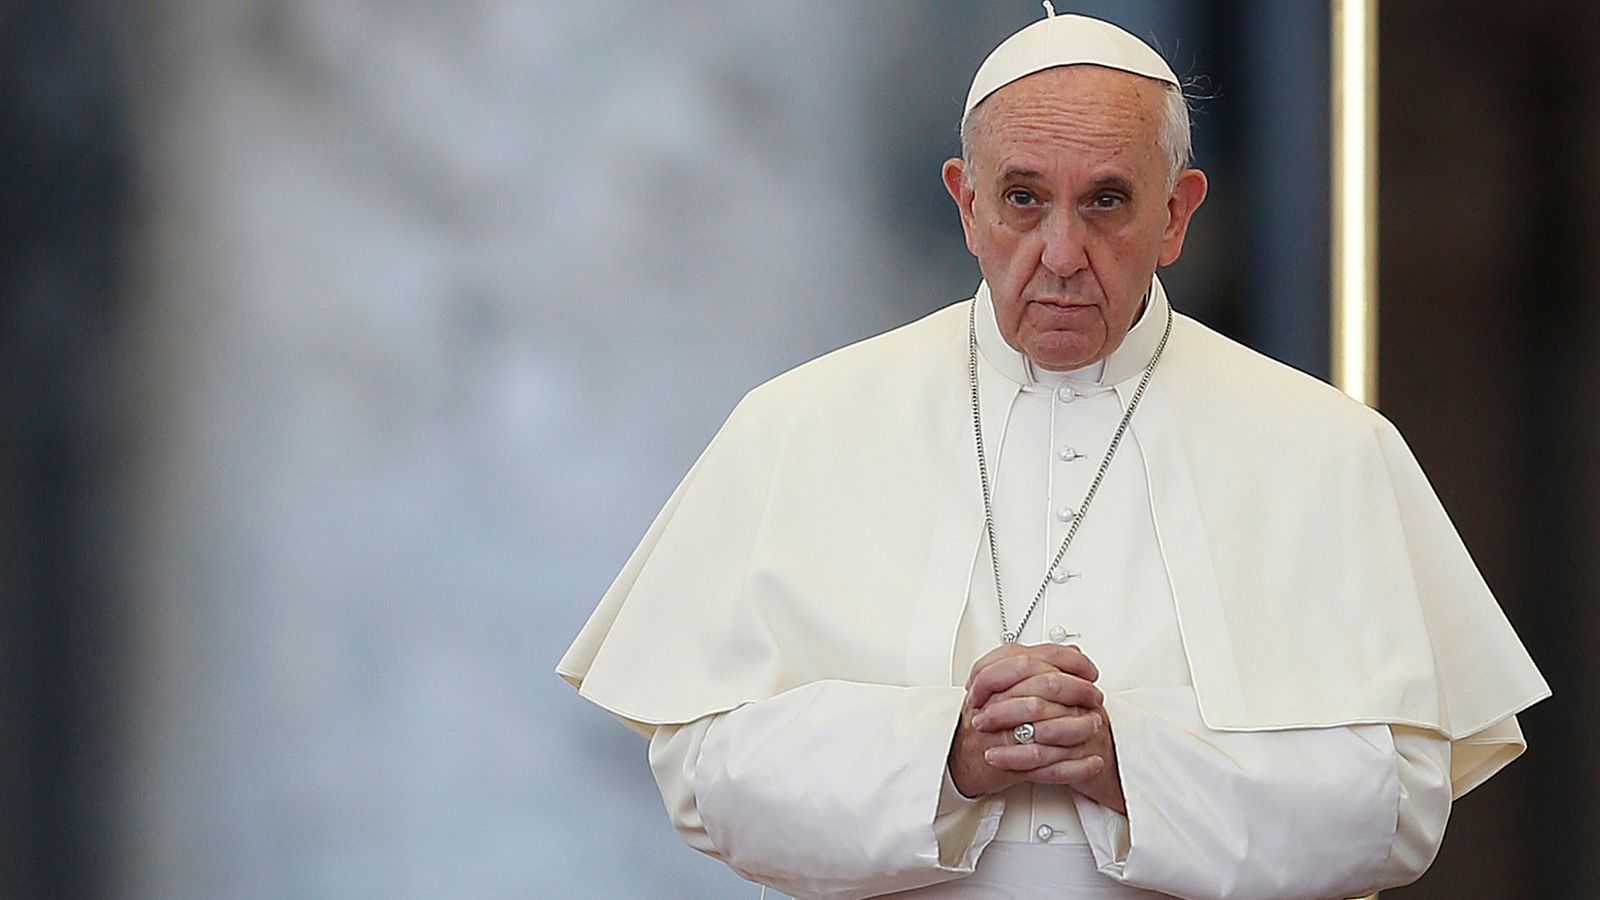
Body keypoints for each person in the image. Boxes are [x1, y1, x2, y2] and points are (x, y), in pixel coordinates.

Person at [557, 9, 1548, 899]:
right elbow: (704, 777)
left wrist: (1129, 761)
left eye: (1107, 201)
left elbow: (1401, 807)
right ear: (965, 204)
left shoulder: (1328, 449)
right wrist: (948, 755)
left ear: (1174, 213)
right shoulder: (799, 426)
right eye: (1023, 199)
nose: (1063, 252)